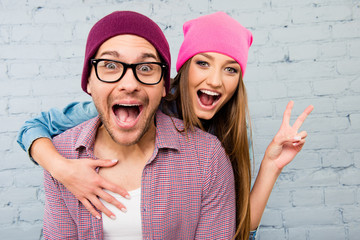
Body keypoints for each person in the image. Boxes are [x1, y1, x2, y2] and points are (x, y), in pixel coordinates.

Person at [17, 12, 314, 240]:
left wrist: (271, 166)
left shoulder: (221, 142)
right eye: (203, 63)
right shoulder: (127, 100)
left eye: (230, 69)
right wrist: (61, 168)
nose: (214, 80)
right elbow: (34, 126)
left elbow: (240, 226)